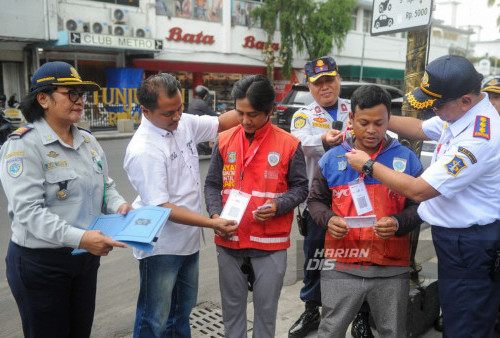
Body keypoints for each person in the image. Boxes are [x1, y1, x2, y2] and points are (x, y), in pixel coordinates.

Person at [346, 54, 500, 338]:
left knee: (467, 323)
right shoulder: (461, 114)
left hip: (469, 242)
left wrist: (367, 164)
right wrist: (380, 120)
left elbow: (418, 190)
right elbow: (420, 128)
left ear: (465, 99)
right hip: (458, 239)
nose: (433, 109)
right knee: (459, 311)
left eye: (437, 104)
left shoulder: (479, 138)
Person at [0, 61, 133, 337]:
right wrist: (83, 238)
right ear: (43, 98)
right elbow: (29, 213)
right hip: (41, 263)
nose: (80, 101)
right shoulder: (23, 145)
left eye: (82, 94)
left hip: (84, 258)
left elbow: (106, 184)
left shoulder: (87, 140)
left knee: (79, 331)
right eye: (71, 93)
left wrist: (119, 205)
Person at [123, 73, 240, 338]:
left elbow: (221, 123)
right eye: (168, 113)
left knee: (182, 310)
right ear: (146, 110)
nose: (177, 117)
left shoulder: (181, 122)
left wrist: (248, 105)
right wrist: (211, 222)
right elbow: (163, 207)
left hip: (188, 242)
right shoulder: (144, 149)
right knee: (154, 317)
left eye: (179, 109)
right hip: (161, 247)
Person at [308, 84, 423, 337]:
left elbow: (421, 207)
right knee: (330, 329)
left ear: (389, 121)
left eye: (379, 123)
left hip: (392, 265)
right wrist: (329, 220)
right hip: (341, 263)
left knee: (392, 331)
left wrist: (398, 222)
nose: (372, 130)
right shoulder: (332, 158)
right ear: (351, 119)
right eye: (364, 122)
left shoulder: (406, 158)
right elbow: (315, 201)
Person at [204, 74, 309, 337]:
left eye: (252, 114)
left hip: (270, 243)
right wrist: (215, 216)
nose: (245, 120)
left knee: (265, 314)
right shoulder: (225, 140)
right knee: (231, 313)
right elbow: (212, 185)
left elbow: (301, 188)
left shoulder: (288, 144)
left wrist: (279, 205)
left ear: (270, 110)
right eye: (239, 113)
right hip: (230, 240)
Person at [288, 56, 373, 338]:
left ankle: (361, 316)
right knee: (315, 256)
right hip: (319, 201)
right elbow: (297, 144)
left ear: (338, 80)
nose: (325, 87)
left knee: (359, 258)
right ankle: (312, 310)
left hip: (358, 200)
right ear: (310, 87)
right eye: (318, 83)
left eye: (330, 80)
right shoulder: (304, 115)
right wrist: (323, 140)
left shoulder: (355, 108)